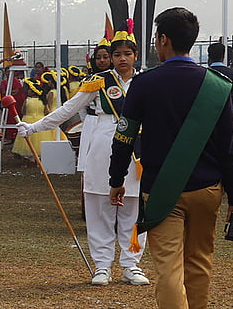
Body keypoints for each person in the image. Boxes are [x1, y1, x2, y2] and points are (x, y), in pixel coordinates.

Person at [109, 7, 233, 309]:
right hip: (208, 189)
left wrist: (115, 179)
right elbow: (227, 149)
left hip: (163, 191)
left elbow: (123, 137)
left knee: (169, 270)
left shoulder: (144, 84)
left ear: (164, 40)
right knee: (199, 262)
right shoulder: (217, 86)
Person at [18, 32, 148, 285]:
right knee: (99, 205)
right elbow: (69, 109)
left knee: (134, 208)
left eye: (127, 54)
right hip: (102, 143)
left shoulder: (146, 82)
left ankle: (131, 264)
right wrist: (35, 128)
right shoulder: (99, 82)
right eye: (117, 54)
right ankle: (102, 265)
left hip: (137, 148)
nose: (122, 59)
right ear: (110, 57)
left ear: (136, 56)